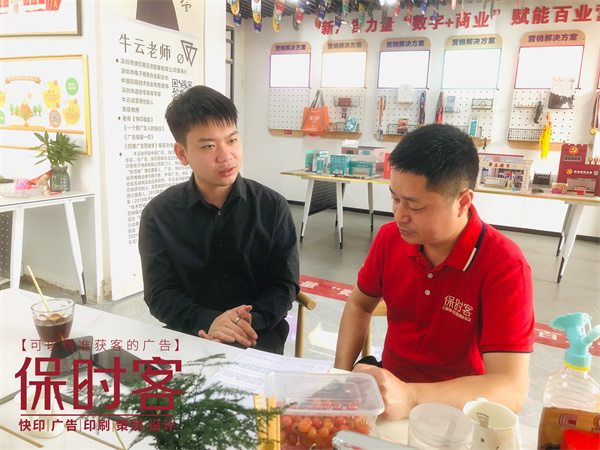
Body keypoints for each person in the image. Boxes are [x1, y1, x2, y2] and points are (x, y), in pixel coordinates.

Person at [334, 124, 534, 420]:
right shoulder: (390, 239)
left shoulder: (504, 266)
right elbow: (359, 305)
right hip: (389, 397)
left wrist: (411, 397)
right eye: (395, 198)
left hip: (457, 412)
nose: (399, 215)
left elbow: (511, 389)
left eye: (414, 206)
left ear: (462, 202)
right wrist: (340, 377)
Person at [139, 85, 299, 354]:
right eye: (209, 146)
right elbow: (160, 293)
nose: (226, 156)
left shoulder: (273, 208)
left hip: (256, 335)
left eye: (232, 140)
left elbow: (284, 285)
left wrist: (246, 322)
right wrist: (208, 321)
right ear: (182, 153)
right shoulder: (159, 215)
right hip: (190, 332)